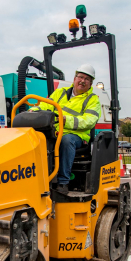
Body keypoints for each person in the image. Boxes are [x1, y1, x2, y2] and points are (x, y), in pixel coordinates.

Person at [29, 64, 101, 194]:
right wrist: (33, 111)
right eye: (80, 77)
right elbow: (45, 105)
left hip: (77, 136)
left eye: (87, 79)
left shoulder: (93, 100)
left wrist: (65, 120)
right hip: (55, 132)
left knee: (66, 141)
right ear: (74, 78)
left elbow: (89, 121)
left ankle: (63, 182)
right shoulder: (60, 93)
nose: (83, 81)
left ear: (90, 84)